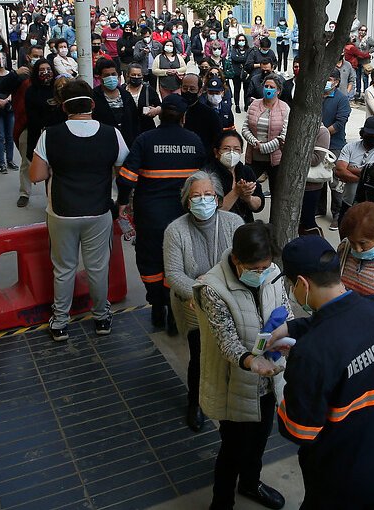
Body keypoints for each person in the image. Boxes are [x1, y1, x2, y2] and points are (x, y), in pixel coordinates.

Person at [270, 235, 374, 508]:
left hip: (341, 481)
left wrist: (286, 387)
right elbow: (344, 323)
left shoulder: (311, 355)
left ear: (302, 284)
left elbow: (300, 430)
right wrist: (295, 328)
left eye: (290, 284)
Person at [194, 221, 289, 510]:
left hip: (268, 378)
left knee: (260, 439)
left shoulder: (272, 274)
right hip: (233, 380)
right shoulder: (212, 288)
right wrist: (251, 362)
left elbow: (283, 308)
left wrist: (287, 334)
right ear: (237, 260)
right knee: (233, 449)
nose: (262, 274)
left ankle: (250, 483)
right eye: (255, 269)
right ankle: (221, 502)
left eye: (266, 267)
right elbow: (226, 341)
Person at [29, 79, 129, 342]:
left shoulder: (50, 134)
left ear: (64, 107)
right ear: (93, 104)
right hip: (98, 210)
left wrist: (55, 167)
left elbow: (36, 175)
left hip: (61, 211)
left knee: (63, 268)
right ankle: (101, 318)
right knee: (97, 268)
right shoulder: (111, 133)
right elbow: (124, 171)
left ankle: (60, 322)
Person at [117, 95, 207, 334]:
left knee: (150, 261)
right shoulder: (194, 141)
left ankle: (157, 306)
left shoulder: (145, 140)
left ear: (159, 115)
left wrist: (123, 203)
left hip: (151, 216)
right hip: (183, 217)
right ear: (183, 117)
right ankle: (174, 311)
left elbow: (126, 177)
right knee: (177, 264)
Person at [164, 171, 245, 432]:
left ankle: (230, 398)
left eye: (208, 195)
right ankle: (195, 403)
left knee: (231, 349)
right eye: (196, 196)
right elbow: (175, 274)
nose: (202, 200)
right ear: (187, 201)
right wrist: (201, 291)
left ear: (218, 197)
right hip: (192, 304)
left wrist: (212, 286)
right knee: (201, 355)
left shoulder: (234, 222)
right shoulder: (176, 230)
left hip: (230, 300)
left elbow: (242, 263)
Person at [19, 57, 63, 208]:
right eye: (42, 70)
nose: (46, 73)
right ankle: (24, 193)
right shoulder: (31, 90)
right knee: (28, 164)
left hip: (57, 135)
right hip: (36, 132)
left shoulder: (59, 88)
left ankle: (51, 202)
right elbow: (32, 116)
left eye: (49, 70)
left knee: (53, 171)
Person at [241, 73, 290, 189]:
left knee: (276, 190)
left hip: (275, 160)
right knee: (247, 187)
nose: (268, 89)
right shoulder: (254, 104)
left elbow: (284, 135)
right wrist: (254, 142)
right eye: (266, 86)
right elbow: (245, 128)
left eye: (272, 87)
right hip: (253, 157)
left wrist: (264, 148)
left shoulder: (285, 108)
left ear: (278, 91)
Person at [205, 130, 265, 223]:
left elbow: (259, 205)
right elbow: (210, 211)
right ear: (216, 152)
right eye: (226, 149)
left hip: (244, 227)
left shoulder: (246, 171)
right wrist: (236, 192)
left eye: (236, 149)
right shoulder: (207, 174)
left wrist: (249, 199)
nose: (231, 153)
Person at [321, 69, 352, 229]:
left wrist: (322, 134)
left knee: (335, 182)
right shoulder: (317, 95)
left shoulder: (342, 99)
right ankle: (319, 208)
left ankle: (337, 215)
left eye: (330, 79)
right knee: (317, 178)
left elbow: (339, 124)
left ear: (337, 82)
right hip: (316, 144)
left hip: (335, 145)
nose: (327, 81)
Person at [92, 58, 140, 146]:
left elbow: (134, 120)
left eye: (113, 74)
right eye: (106, 75)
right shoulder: (94, 96)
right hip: (104, 143)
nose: (111, 77)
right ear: (100, 77)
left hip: (127, 142)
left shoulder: (126, 95)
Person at [123, 63, 162, 137]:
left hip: (146, 128)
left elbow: (160, 105)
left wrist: (156, 110)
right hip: (127, 129)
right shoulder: (123, 90)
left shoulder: (148, 89)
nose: (136, 77)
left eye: (139, 75)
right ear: (127, 76)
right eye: (133, 75)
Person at [351, 25, 374, 102]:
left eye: (365, 30)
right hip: (357, 61)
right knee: (357, 77)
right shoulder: (356, 38)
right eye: (361, 30)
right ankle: (358, 92)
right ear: (359, 30)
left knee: (365, 78)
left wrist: (369, 52)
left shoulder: (368, 39)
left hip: (365, 62)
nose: (363, 32)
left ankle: (365, 93)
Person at [229, 34, 250, 113]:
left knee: (246, 90)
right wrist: (243, 59)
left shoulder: (249, 49)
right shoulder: (234, 49)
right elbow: (234, 57)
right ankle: (237, 105)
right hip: (236, 73)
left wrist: (240, 58)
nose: (241, 42)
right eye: (240, 40)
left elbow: (249, 59)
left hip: (246, 73)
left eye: (243, 40)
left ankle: (246, 105)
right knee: (237, 89)